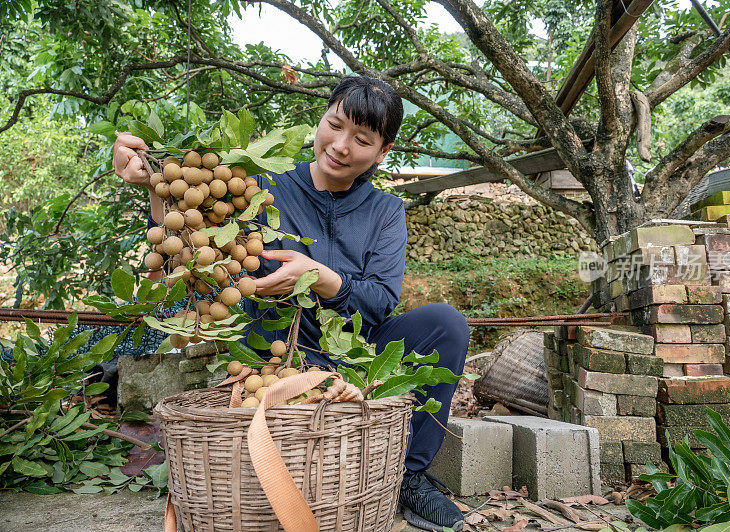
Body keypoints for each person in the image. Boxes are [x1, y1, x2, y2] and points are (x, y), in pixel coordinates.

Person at [114, 75, 469, 532]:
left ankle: (409, 476)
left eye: (361, 139)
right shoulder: (261, 185)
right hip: (276, 347)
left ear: (382, 153)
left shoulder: (385, 211)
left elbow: (381, 302)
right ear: (320, 120)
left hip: (358, 347)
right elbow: (193, 250)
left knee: (447, 323)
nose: (341, 146)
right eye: (334, 124)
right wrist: (153, 182)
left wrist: (320, 277)